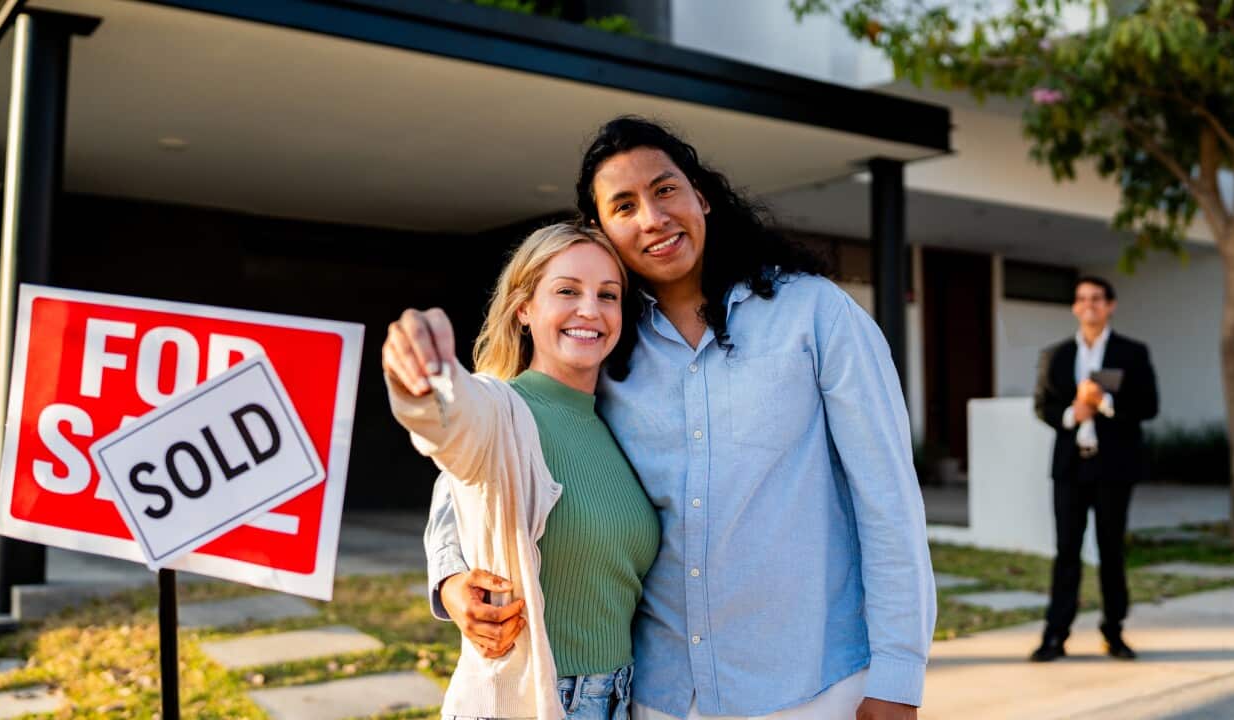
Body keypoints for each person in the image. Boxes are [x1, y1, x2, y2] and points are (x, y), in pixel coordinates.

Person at [427, 117, 935, 720]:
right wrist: (451, 578)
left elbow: (889, 498)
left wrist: (900, 674)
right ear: (603, 231)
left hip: (812, 687)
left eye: (665, 190)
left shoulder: (816, 315)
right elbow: (483, 457)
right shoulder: (605, 344)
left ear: (702, 196)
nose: (652, 218)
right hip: (661, 696)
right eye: (624, 205)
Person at [384, 222, 660, 719]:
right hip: (529, 702)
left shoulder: (620, 422)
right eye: (567, 291)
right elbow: (451, 423)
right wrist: (424, 381)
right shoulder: (501, 409)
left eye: (608, 295)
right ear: (524, 309)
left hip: (620, 699)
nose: (590, 310)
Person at [1031, 275, 1159, 663]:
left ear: (1110, 305)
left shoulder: (1132, 353)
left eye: (1097, 299)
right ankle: (1055, 635)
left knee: (1110, 551)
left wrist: (1105, 403)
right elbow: (1042, 405)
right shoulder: (1055, 355)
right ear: (1074, 306)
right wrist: (1074, 412)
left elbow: (1149, 406)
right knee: (1066, 552)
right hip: (1071, 467)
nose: (1089, 305)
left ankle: (1114, 632)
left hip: (1114, 468)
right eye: (1082, 299)